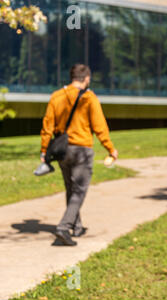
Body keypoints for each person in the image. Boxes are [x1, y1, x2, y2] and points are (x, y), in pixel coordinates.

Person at [40, 64, 118, 246]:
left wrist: (44, 150)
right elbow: (100, 126)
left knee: (71, 188)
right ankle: (64, 226)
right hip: (81, 150)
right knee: (79, 190)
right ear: (87, 78)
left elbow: (47, 126)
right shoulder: (89, 98)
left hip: (62, 150)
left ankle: (77, 226)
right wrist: (110, 148)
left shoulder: (56, 96)